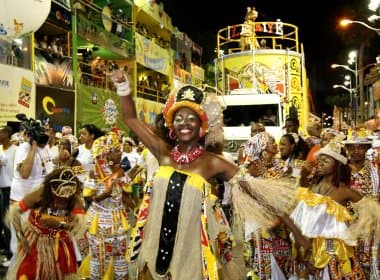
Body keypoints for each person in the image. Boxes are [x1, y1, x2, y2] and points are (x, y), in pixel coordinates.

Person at [111, 71, 310, 279]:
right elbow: (131, 118)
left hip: (190, 254)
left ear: (201, 127)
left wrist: (296, 231)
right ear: (172, 126)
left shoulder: (214, 162)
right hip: (154, 247)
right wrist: (124, 87)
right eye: (179, 118)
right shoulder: (163, 153)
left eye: (191, 119)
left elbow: (259, 194)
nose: (184, 123)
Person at [292, 141, 380, 279]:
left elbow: (371, 210)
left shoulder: (344, 191)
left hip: (333, 248)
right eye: (319, 160)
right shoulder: (313, 185)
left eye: (325, 161)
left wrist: (356, 226)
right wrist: (303, 175)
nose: (320, 164)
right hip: (312, 246)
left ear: (337, 165)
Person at [80, 132, 142, 280]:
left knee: (120, 258)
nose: (120, 151)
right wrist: (104, 194)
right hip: (99, 224)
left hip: (118, 223)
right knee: (100, 259)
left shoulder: (118, 170)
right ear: (106, 154)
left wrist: (138, 167)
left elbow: (125, 188)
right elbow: (88, 195)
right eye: (115, 150)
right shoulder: (95, 172)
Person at [6, 167, 86, 279]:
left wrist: (59, 225)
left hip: (60, 243)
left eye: (67, 196)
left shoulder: (74, 199)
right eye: (58, 195)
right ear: (51, 189)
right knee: (29, 274)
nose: (62, 199)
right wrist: (21, 238)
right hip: (35, 242)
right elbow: (14, 212)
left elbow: (77, 226)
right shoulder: (39, 195)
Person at [0, 126, 17, 266]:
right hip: (1, 190)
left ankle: (11, 255)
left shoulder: (15, 150)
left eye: (1, 132)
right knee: (2, 222)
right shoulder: (0, 149)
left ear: (6, 134)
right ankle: (6, 250)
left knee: (8, 223)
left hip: (10, 190)